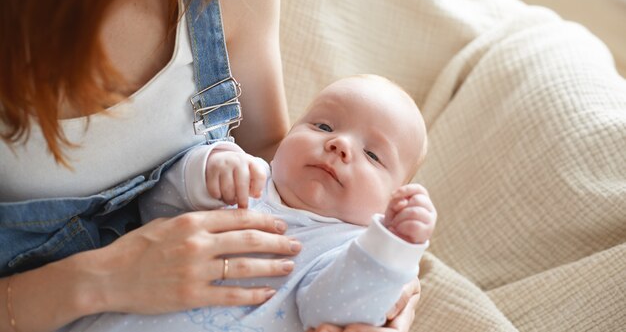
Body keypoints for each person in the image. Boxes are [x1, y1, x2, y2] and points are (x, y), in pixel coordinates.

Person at [0, 0, 420, 332]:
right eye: (324, 127)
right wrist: (103, 279)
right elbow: (196, 186)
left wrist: (388, 270)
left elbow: (268, 152)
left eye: (373, 154)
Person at [61, 75, 435, 331]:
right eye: (323, 126)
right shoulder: (249, 178)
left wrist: (393, 249)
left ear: (391, 200)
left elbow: (332, 314)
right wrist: (206, 169)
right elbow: (155, 210)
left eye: (372, 155)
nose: (340, 144)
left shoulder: (348, 249)